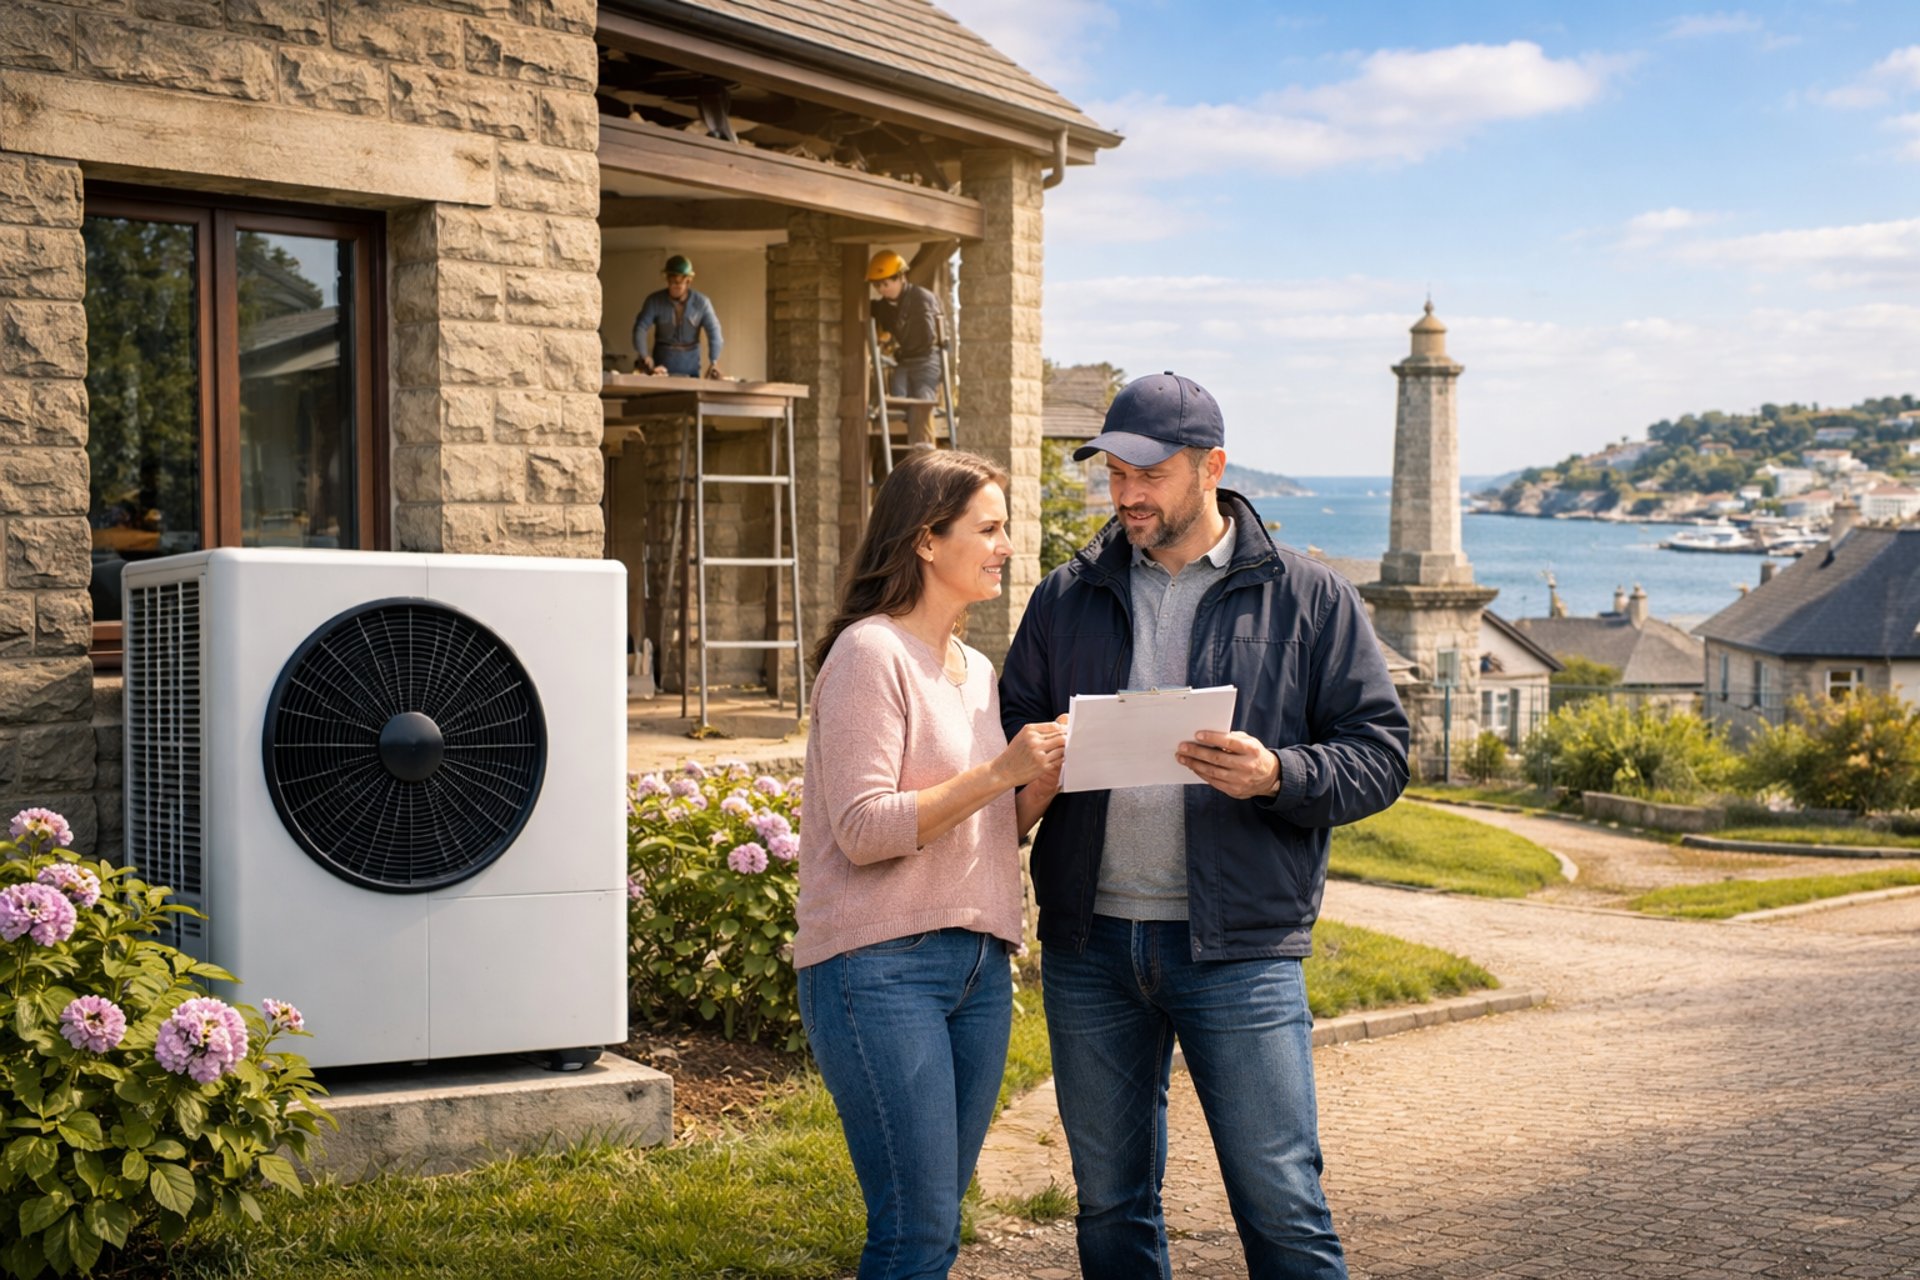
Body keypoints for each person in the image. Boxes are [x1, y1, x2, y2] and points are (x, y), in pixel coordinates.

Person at [999, 372, 1409, 1280]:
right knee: (1110, 1206)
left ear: (1212, 468)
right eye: (1115, 473)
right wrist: (1037, 758)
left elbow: (1381, 754)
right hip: (1089, 946)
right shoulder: (1065, 597)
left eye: (1149, 474)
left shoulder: (1310, 597)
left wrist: (1279, 774)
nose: (1127, 495)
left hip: (1240, 951)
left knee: (1281, 1204)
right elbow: (1011, 734)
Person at [795, 449, 1066, 1279]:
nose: (1006, 547)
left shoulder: (977, 670)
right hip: (879, 967)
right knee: (913, 1231)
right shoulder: (870, 654)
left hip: (979, 968)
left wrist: (1041, 783)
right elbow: (864, 828)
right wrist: (999, 771)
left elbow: (985, 826)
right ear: (925, 539)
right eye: (988, 529)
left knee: (939, 1224)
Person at [867, 249, 944, 448]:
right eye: (877, 285)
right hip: (905, 361)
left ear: (901, 277)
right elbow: (871, 312)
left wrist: (897, 347)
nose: (882, 290)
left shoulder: (921, 299)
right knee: (898, 400)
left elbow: (926, 337)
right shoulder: (884, 307)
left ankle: (925, 452)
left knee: (922, 401)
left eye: (886, 284)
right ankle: (910, 448)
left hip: (927, 359)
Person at [631, 253, 724, 379]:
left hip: (690, 367)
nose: (673, 286)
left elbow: (714, 332)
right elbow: (640, 327)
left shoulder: (702, 303)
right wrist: (644, 355)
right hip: (661, 367)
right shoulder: (654, 301)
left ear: (688, 281)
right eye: (670, 282)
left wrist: (714, 361)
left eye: (678, 282)